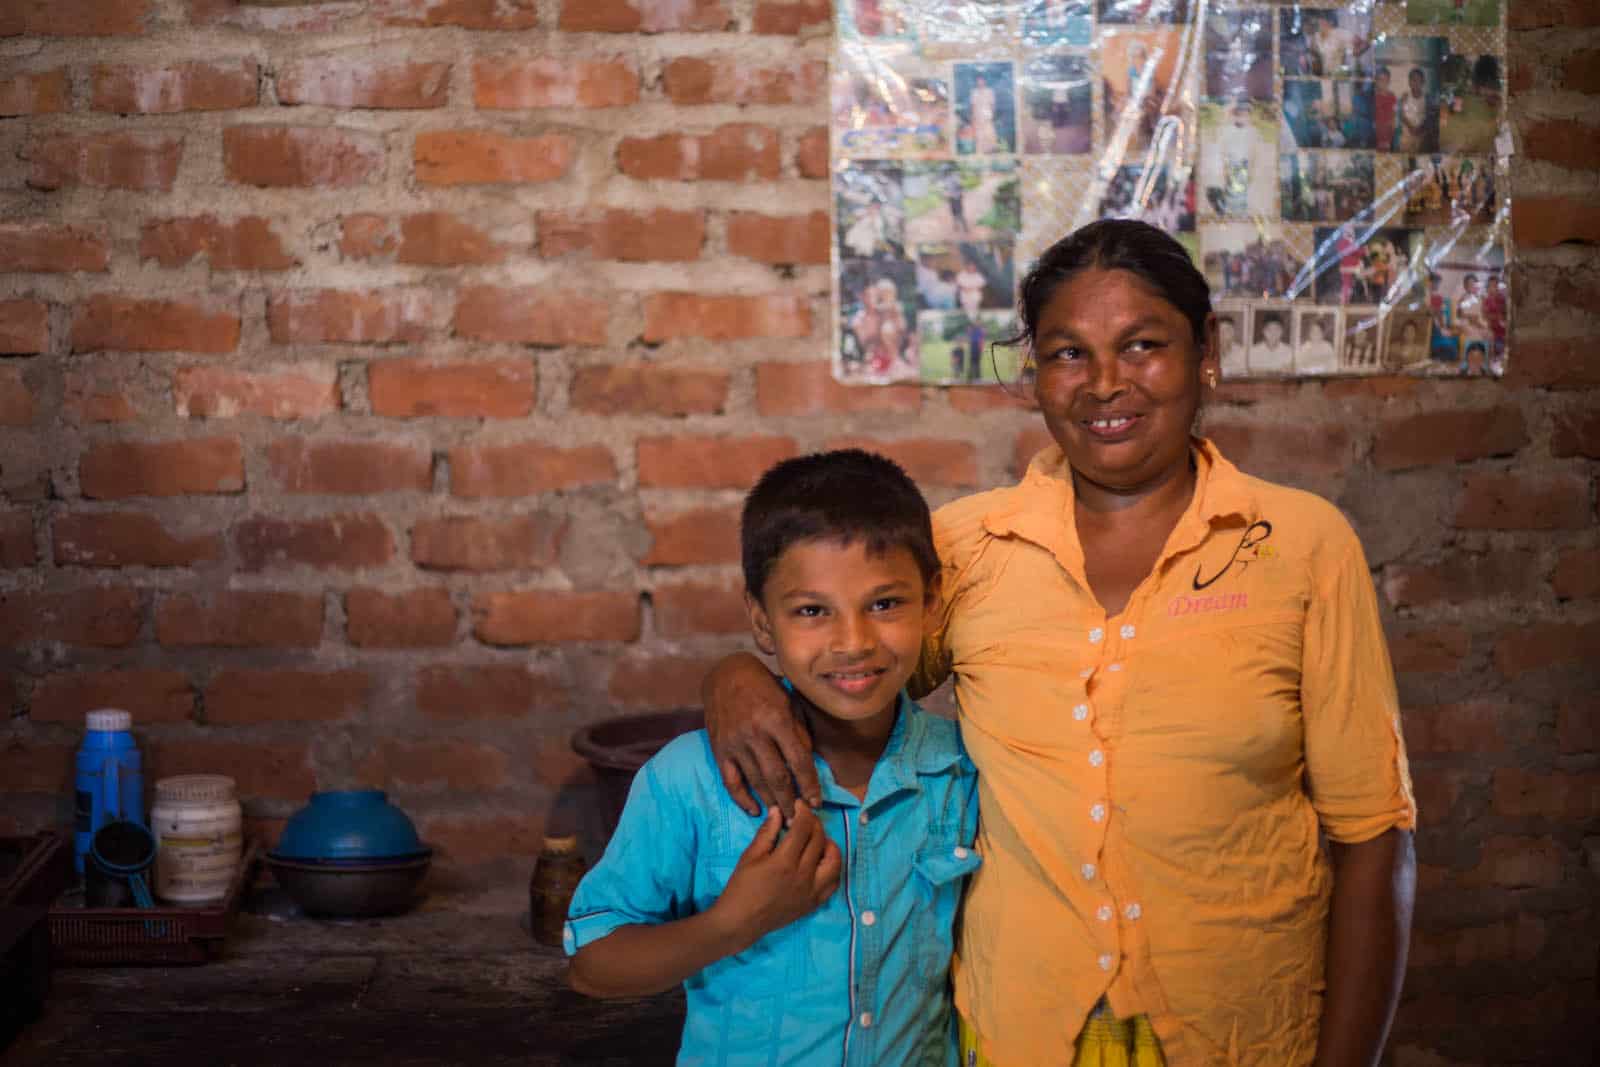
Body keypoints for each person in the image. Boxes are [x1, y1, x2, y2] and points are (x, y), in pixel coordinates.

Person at [702, 219, 1416, 1067]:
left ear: (1206, 352)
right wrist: (738, 676)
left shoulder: (1299, 545)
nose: (1105, 383)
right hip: (1020, 1032)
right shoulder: (966, 548)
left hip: (1243, 1032)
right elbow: (847, 675)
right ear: (1036, 373)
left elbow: (1373, 834)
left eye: (1143, 344)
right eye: (1068, 353)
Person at [568, 449, 980, 1065]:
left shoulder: (964, 772)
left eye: (886, 604)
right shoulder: (693, 780)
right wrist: (732, 923)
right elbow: (593, 965)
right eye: (812, 611)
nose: (853, 642)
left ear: (932, 601)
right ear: (762, 624)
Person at [1398, 68, 1434, 152]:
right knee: (1405, 156)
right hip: (1407, 135)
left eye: (1419, 80)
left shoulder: (1427, 98)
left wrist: (1420, 128)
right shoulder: (1405, 96)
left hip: (1421, 135)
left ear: (1423, 82)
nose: (1416, 83)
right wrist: (1410, 126)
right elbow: (1401, 113)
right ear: (1409, 82)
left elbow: (1429, 116)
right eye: (1413, 80)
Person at [971, 73, 999, 154]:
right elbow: (973, 105)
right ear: (976, 82)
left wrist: (992, 115)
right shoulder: (974, 92)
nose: (980, 83)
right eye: (978, 81)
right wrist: (973, 117)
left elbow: (992, 104)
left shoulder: (989, 91)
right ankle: (980, 151)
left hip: (987, 115)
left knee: (989, 131)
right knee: (979, 134)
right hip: (978, 115)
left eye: (981, 81)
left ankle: (991, 149)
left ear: (984, 81)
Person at [1374, 67, 1397, 151]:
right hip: (1375, 134)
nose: (1382, 83)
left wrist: (1391, 134)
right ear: (1376, 81)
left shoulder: (1392, 97)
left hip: (1388, 135)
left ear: (1389, 81)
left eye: (1385, 80)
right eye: (1380, 80)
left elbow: (1394, 116)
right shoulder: (1373, 96)